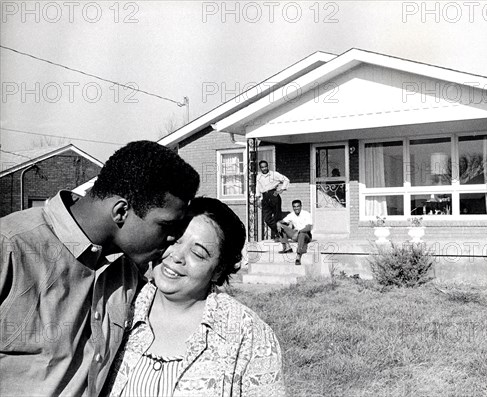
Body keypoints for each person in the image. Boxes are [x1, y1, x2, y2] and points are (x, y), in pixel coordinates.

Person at [0, 141, 199, 396]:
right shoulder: (10, 248)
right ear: (121, 212)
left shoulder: (130, 269)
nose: (172, 238)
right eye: (165, 226)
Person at [104, 197, 285, 396]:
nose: (177, 256)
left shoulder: (249, 335)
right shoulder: (117, 306)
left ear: (218, 270)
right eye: (174, 239)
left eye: (198, 254)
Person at [255, 160, 289, 240]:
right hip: (265, 197)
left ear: (268, 166)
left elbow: (286, 180)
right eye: (262, 167)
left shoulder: (274, 174)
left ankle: (281, 236)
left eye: (265, 166)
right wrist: (258, 199)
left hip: (273, 195)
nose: (264, 168)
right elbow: (257, 188)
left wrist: (281, 190)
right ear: (260, 168)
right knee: (267, 219)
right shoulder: (258, 177)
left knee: (277, 217)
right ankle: (280, 232)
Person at [277, 200, 312, 266]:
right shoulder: (291, 215)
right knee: (280, 226)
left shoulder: (306, 214)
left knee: (302, 234)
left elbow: (308, 228)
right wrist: (278, 223)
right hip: (296, 234)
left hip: (306, 235)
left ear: (301, 206)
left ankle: (298, 256)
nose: (296, 208)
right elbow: (283, 221)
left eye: (298, 206)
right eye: (294, 207)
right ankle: (287, 247)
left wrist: (299, 232)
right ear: (293, 207)